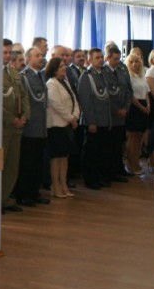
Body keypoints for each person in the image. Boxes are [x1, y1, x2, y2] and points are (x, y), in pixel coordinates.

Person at [16, 47, 50, 206]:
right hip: (29, 128)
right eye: (37, 56)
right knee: (27, 164)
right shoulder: (24, 76)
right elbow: (23, 102)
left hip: (41, 127)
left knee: (37, 163)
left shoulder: (41, 76)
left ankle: (34, 192)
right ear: (28, 59)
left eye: (42, 56)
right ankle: (24, 194)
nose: (41, 58)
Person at [77, 48, 112, 190]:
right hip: (94, 121)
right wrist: (91, 121)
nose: (101, 59)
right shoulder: (86, 76)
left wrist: (109, 121)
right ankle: (90, 179)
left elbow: (107, 100)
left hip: (104, 120)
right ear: (89, 60)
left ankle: (99, 176)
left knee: (101, 151)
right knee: (91, 152)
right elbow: (86, 102)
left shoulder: (102, 75)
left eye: (102, 57)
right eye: (97, 57)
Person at [44, 57, 79, 198]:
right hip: (56, 125)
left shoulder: (65, 82)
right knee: (56, 157)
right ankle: (56, 186)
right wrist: (70, 118)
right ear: (54, 69)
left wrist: (75, 115)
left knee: (65, 157)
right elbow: (56, 104)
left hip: (67, 125)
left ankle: (63, 184)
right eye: (60, 67)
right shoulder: (51, 84)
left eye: (64, 66)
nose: (64, 68)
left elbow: (74, 100)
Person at [1, 40, 29, 213]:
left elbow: (24, 96)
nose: (7, 55)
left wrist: (25, 116)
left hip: (16, 128)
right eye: (4, 52)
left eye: (9, 52)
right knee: (0, 165)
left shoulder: (14, 73)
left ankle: (5, 198)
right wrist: (11, 118)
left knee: (12, 166)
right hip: (2, 127)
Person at [102, 45, 132, 182]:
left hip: (122, 114)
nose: (118, 61)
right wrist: (116, 110)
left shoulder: (122, 69)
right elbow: (105, 95)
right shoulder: (103, 71)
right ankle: (110, 172)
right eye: (115, 59)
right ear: (107, 58)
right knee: (109, 145)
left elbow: (128, 90)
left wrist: (125, 108)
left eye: (119, 58)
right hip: (110, 115)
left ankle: (119, 168)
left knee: (120, 143)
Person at [125, 54, 150, 175]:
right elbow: (131, 96)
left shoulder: (142, 75)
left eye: (137, 62)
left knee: (140, 137)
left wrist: (148, 105)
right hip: (134, 108)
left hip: (144, 106)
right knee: (133, 138)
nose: (134, 64)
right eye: (132, 62)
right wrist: (141, 107)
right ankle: (131, 164)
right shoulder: (128, 76)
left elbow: (146, 93)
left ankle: (136, 162)